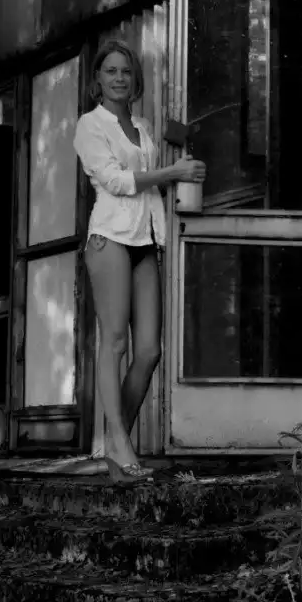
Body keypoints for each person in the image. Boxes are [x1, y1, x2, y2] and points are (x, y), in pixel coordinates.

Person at [73, 39, 206, 484]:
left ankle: (115, 444)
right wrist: (171, 173)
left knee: (148, 350)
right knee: (114, 343)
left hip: (145, 240)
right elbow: (115, 181)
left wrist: (182, 169)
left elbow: (146, 184)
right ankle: (121, 449)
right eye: (110, 71)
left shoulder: (144, 127)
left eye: (126, 71)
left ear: (135, 79)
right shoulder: (90, 125)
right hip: (109, 238)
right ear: (98, 79)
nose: (119, 78)